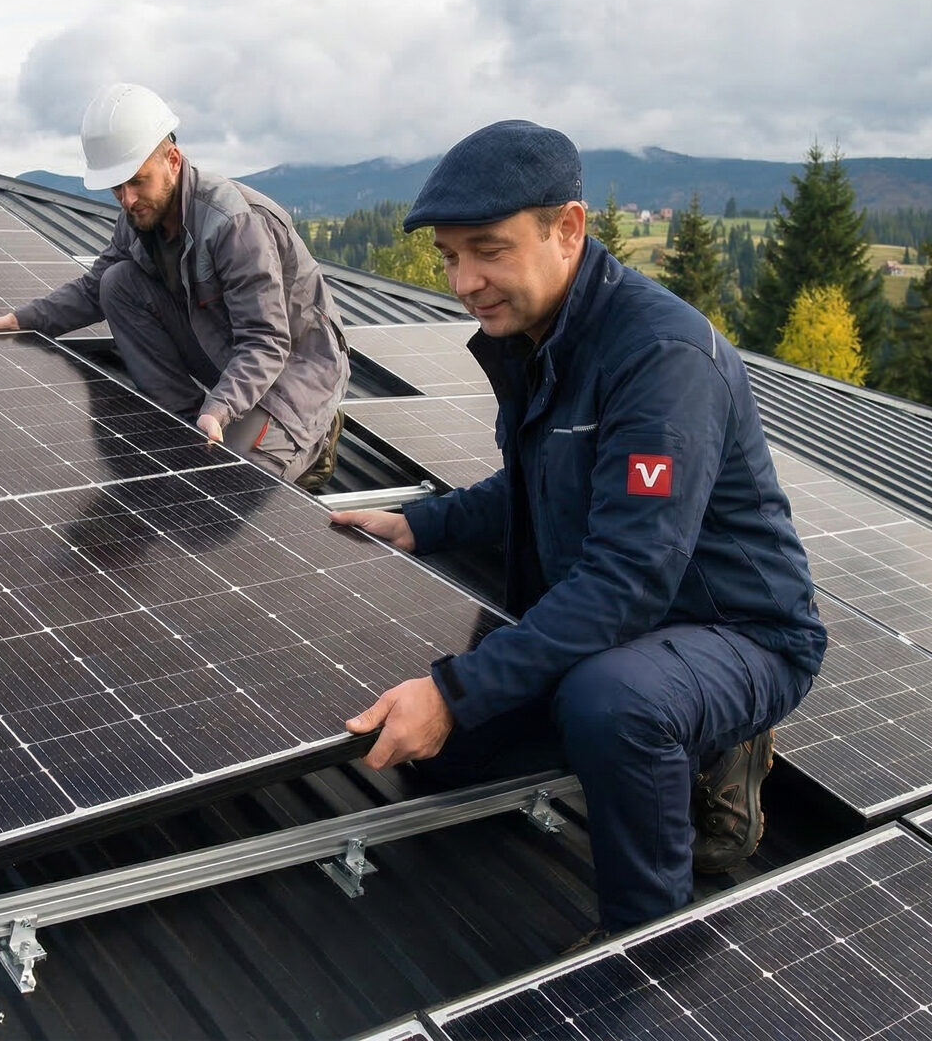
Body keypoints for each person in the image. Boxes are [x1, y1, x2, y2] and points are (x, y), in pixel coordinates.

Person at [330, 120, 826, 936]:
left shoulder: (660, 358)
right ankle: (665, 744)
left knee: (613, 703)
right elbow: (532, 486)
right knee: (440, 757)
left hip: (735, 631)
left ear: (568, 229)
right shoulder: (538, 338)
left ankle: (645, 933)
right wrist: (416, 524)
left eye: (487, 249)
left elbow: (628, 580)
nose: (464, 280)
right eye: (450, 257)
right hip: (623, 619)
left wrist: (455, 692)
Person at [0, 83, 349, 489]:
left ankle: (314, 438)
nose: (127, 199)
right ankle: (186, 424)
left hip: (293, 370)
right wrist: (23, 319)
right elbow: (95, 287)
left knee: (229, 482)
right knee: (118, 283)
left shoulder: (233, 223)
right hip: (229, 352)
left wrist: (220, 406)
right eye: (117, 187)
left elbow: (266, 340)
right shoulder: (139, 216)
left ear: (173, 159)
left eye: (137, 182)